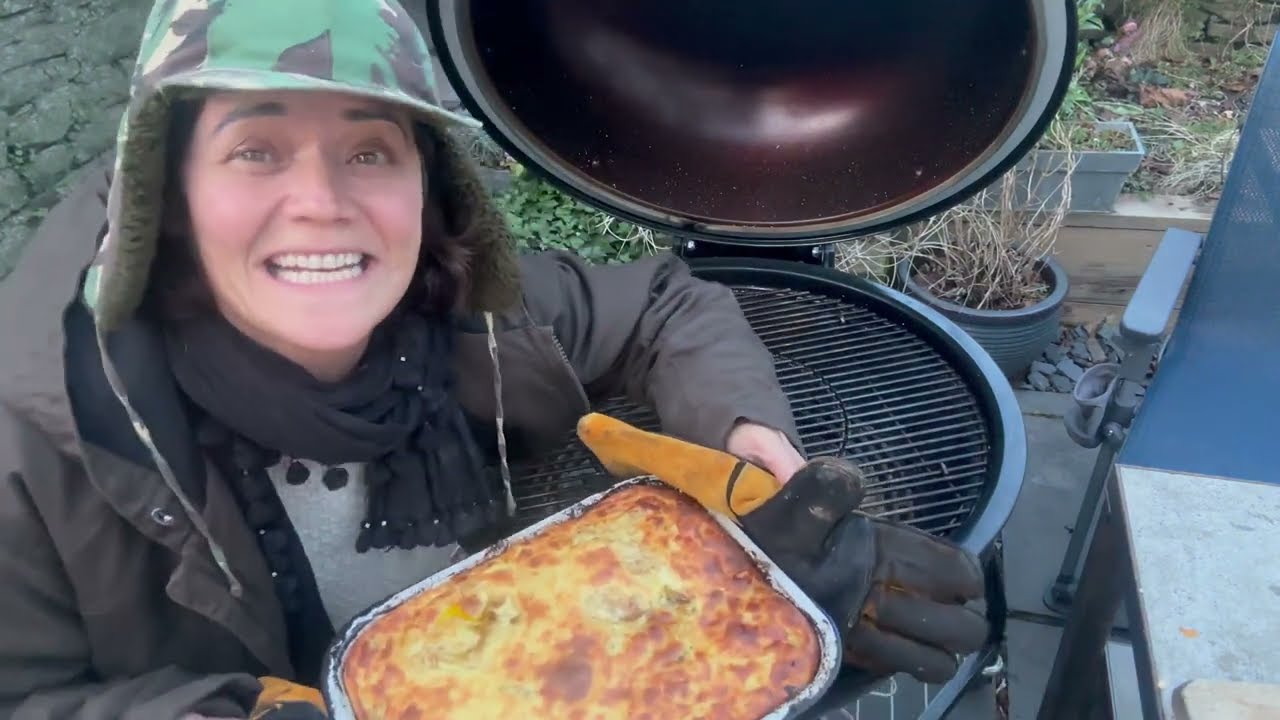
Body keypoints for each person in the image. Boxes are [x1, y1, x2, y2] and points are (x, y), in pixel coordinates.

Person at [0, 1, 987, 718]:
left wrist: (749, 449)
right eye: (255, 149)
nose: (321, 201)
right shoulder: (33, 446)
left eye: (371, 151)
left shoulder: (469, 311)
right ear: (164, 199)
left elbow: (664, 303)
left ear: (427, 191)